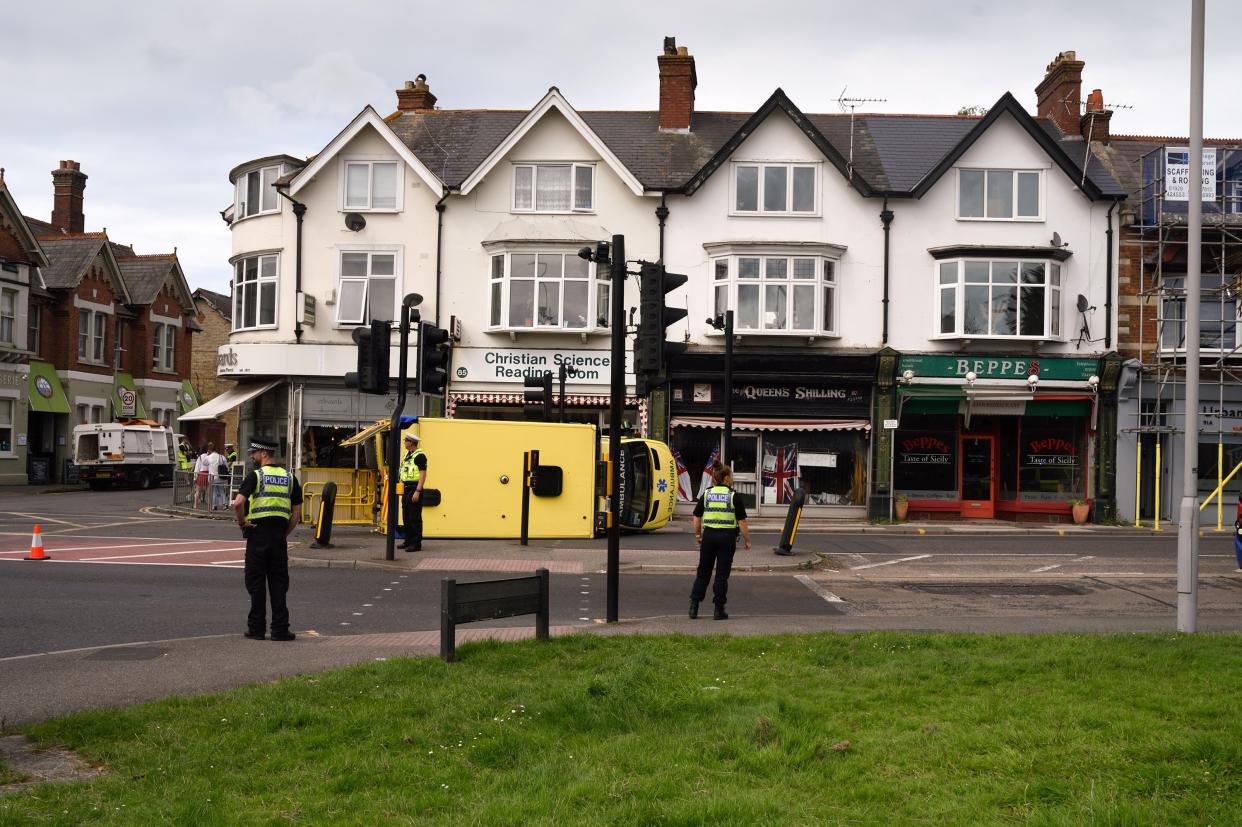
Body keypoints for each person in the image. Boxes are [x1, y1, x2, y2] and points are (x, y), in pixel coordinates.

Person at [233, 437, 302, 641]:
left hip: (257, 535)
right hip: (278, 537)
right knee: (279, 585)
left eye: (254, 453)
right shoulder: (290, 478)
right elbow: (296, 513)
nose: (252, 456)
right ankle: (280, 630)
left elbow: (237, 503)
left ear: (264, 454)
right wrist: (284, 533)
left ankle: (256, 629)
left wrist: (242, 523)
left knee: (256, 584)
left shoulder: (256, 476)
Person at [689, 459, 752, 620]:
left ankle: (694, 606)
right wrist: (747, 540)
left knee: (703, 572)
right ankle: (718, 610)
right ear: (725, 479)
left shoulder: (707, 494)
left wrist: (698, 535)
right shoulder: (733, 496)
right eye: (731, 476)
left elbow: (696, 517)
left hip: (709, 536)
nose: (733, 478)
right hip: (727, 538)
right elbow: (742, 522)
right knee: (722, 575)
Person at [399, 432, 427, 551]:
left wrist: (418, 491)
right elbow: (403, 471)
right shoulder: (407, 455)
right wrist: (400, 485)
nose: (404, 442)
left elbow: (423, 475)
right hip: (406, 488)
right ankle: (408, 540)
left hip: (414, 488)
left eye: (406, 440)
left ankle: (416, 544)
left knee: (414, 517)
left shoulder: (420, 456)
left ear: (412, 443)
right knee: (406, 516)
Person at [191, 445, 212, 509]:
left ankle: (195, 505)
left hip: (201, 474)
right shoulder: (210, 456)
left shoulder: (200, 457)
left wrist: (195, 478)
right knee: (208, 492)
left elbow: (197, 468)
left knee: (197, 491)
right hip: (208, 474)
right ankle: (209, 507)